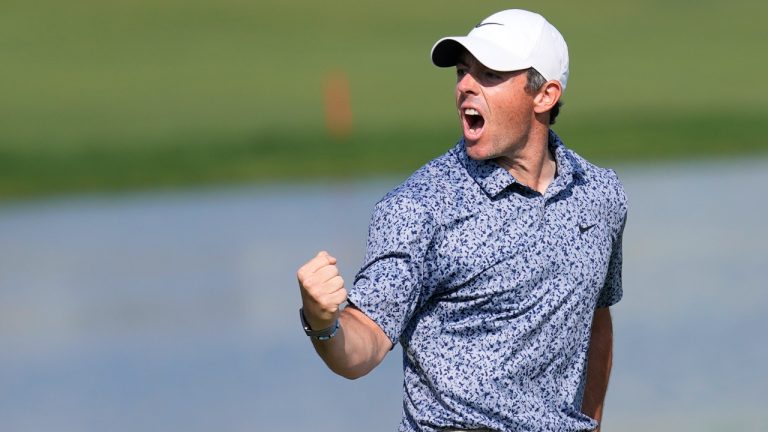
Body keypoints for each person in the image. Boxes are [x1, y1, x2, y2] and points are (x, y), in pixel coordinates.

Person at [296, 9, 627, 432]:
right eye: (462, 72)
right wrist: (323, 322)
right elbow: (363, 344)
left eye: (489, 74)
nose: (466, 86)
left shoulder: (598, 195)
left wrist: (591, 424)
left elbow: (595, 316)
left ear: (545, 95)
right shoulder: (420, 206)